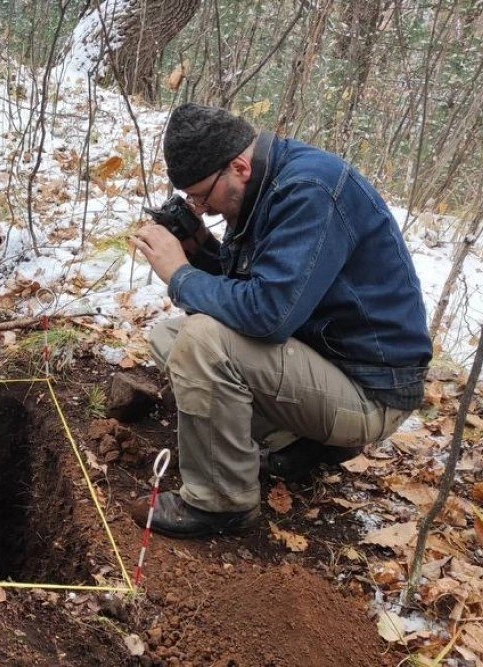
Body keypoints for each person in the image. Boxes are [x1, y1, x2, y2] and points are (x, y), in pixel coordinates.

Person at [128, 103, 432, 539]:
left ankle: (220, 503)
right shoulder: (265, 186)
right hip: (326, 361)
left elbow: (267, 316)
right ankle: (301, 445)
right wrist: (202, 250)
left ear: (239, 167)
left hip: (369, 391)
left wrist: (180, 275)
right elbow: (263, 293)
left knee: (202, 340)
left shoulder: (310, 191)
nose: (202, 208)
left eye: (203, 196)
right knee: (169, 338)